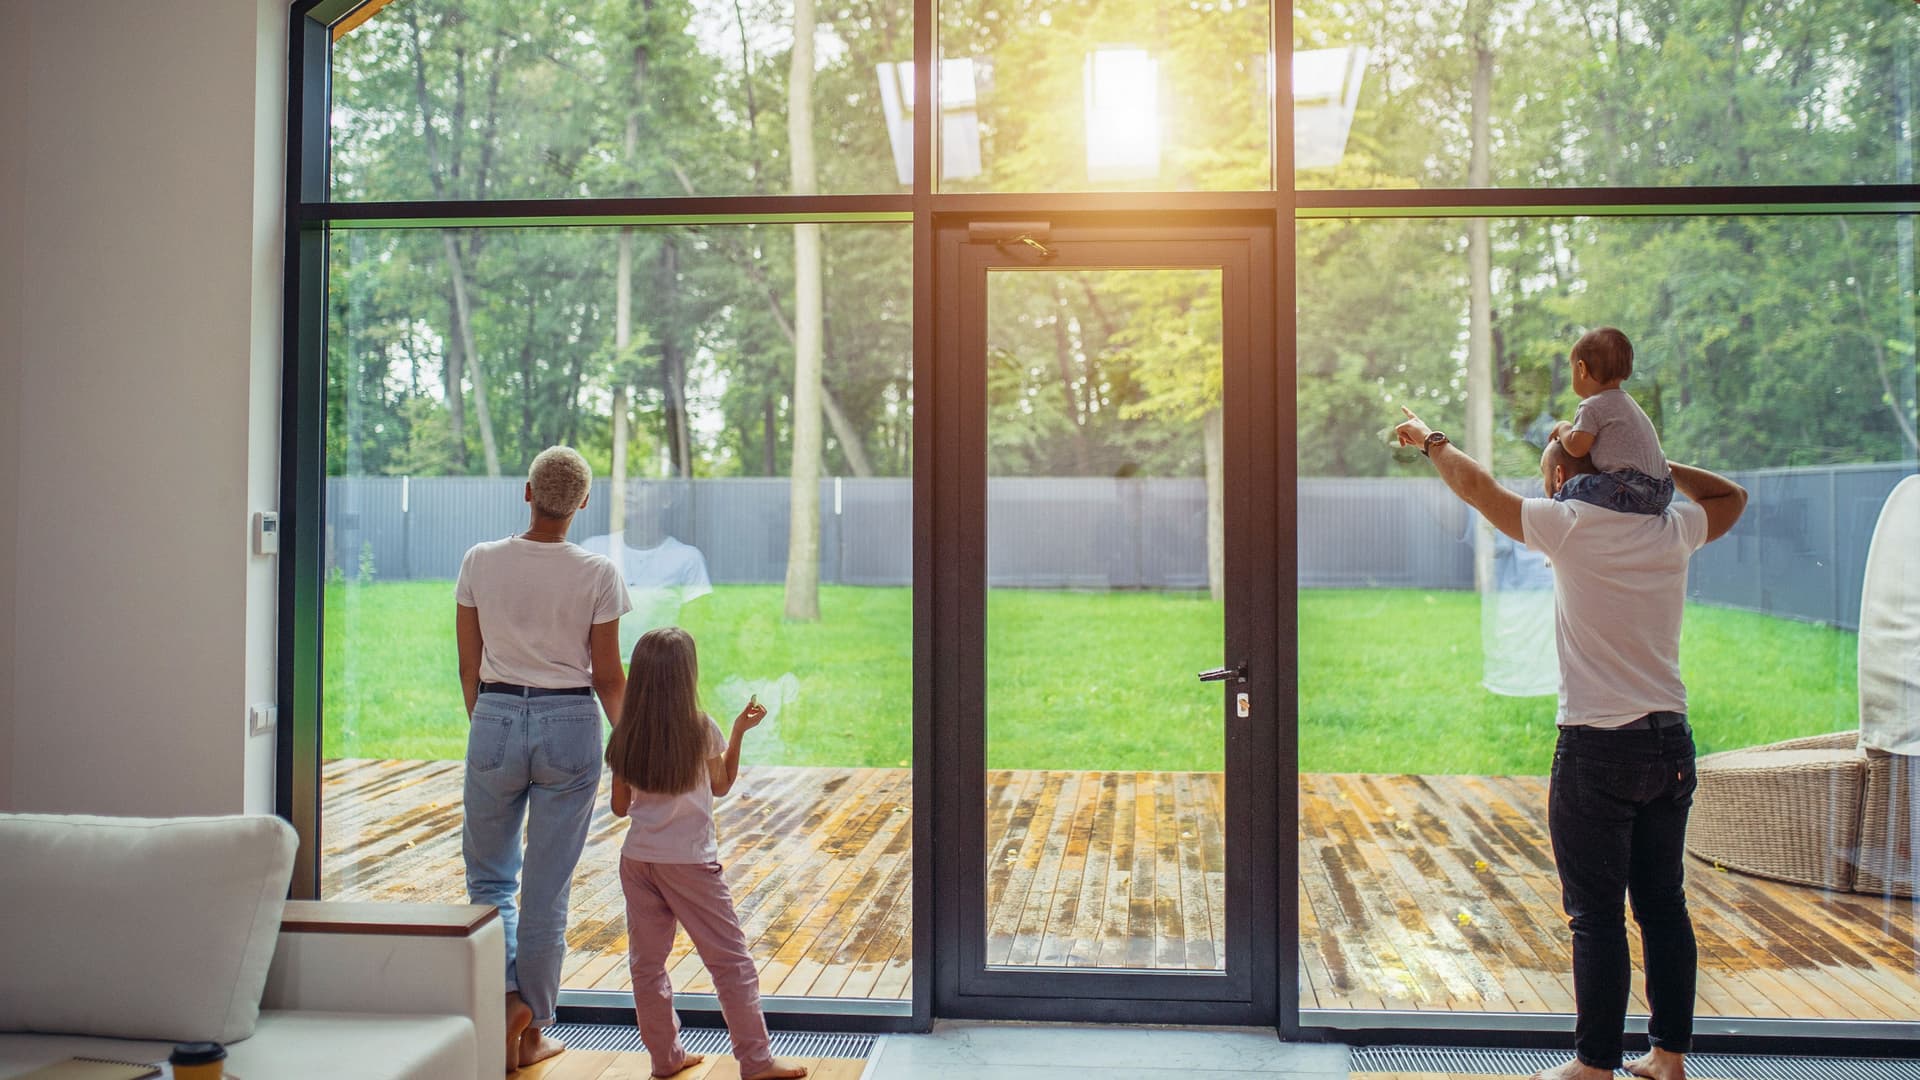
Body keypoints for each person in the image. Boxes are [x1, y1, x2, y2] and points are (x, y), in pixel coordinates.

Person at [1393, 406, 1748, 1080]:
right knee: (1663, 904)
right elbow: (1733, 497)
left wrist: (1431, 438)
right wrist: (1654, 472)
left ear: (1559, 477)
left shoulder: (1569, 524)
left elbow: (1477, 489)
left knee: (1596, 916)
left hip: (1598, 747)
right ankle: (1669, 1058)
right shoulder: (1671, 526)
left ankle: (1595, 1064)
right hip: (1669, 743)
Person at [455, 446, 633, 1072]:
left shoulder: (479, 561)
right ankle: (532, 1031)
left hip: (496, 716)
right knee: (546, 888)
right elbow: (610, 676)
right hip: (571, 721)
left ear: (526, 493)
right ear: (583, 502)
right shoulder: (598, 573)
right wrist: (632, 753)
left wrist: (492, 722)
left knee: (490, 880)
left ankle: (506, 1004)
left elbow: (468, 668)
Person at [607, 627, 808, 1080]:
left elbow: (621, 808)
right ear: (686, 677)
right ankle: (756, 1062)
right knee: (730, 962)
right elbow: (720, 785)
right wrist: (737, 732)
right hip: (690, 864)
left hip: (638, 861)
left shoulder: (625, 734)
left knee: (647, 966)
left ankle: (666, 1059)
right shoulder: (701, 728)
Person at [1549, 327, 1675, 516]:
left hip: (1631, 488)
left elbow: (1577, 447)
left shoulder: (1591, 406)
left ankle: (1555, 512)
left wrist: (1562, 427)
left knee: (1573, 486)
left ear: (1582, 369)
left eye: (1572, 369)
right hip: (1665, 490)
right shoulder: (1627, 402)